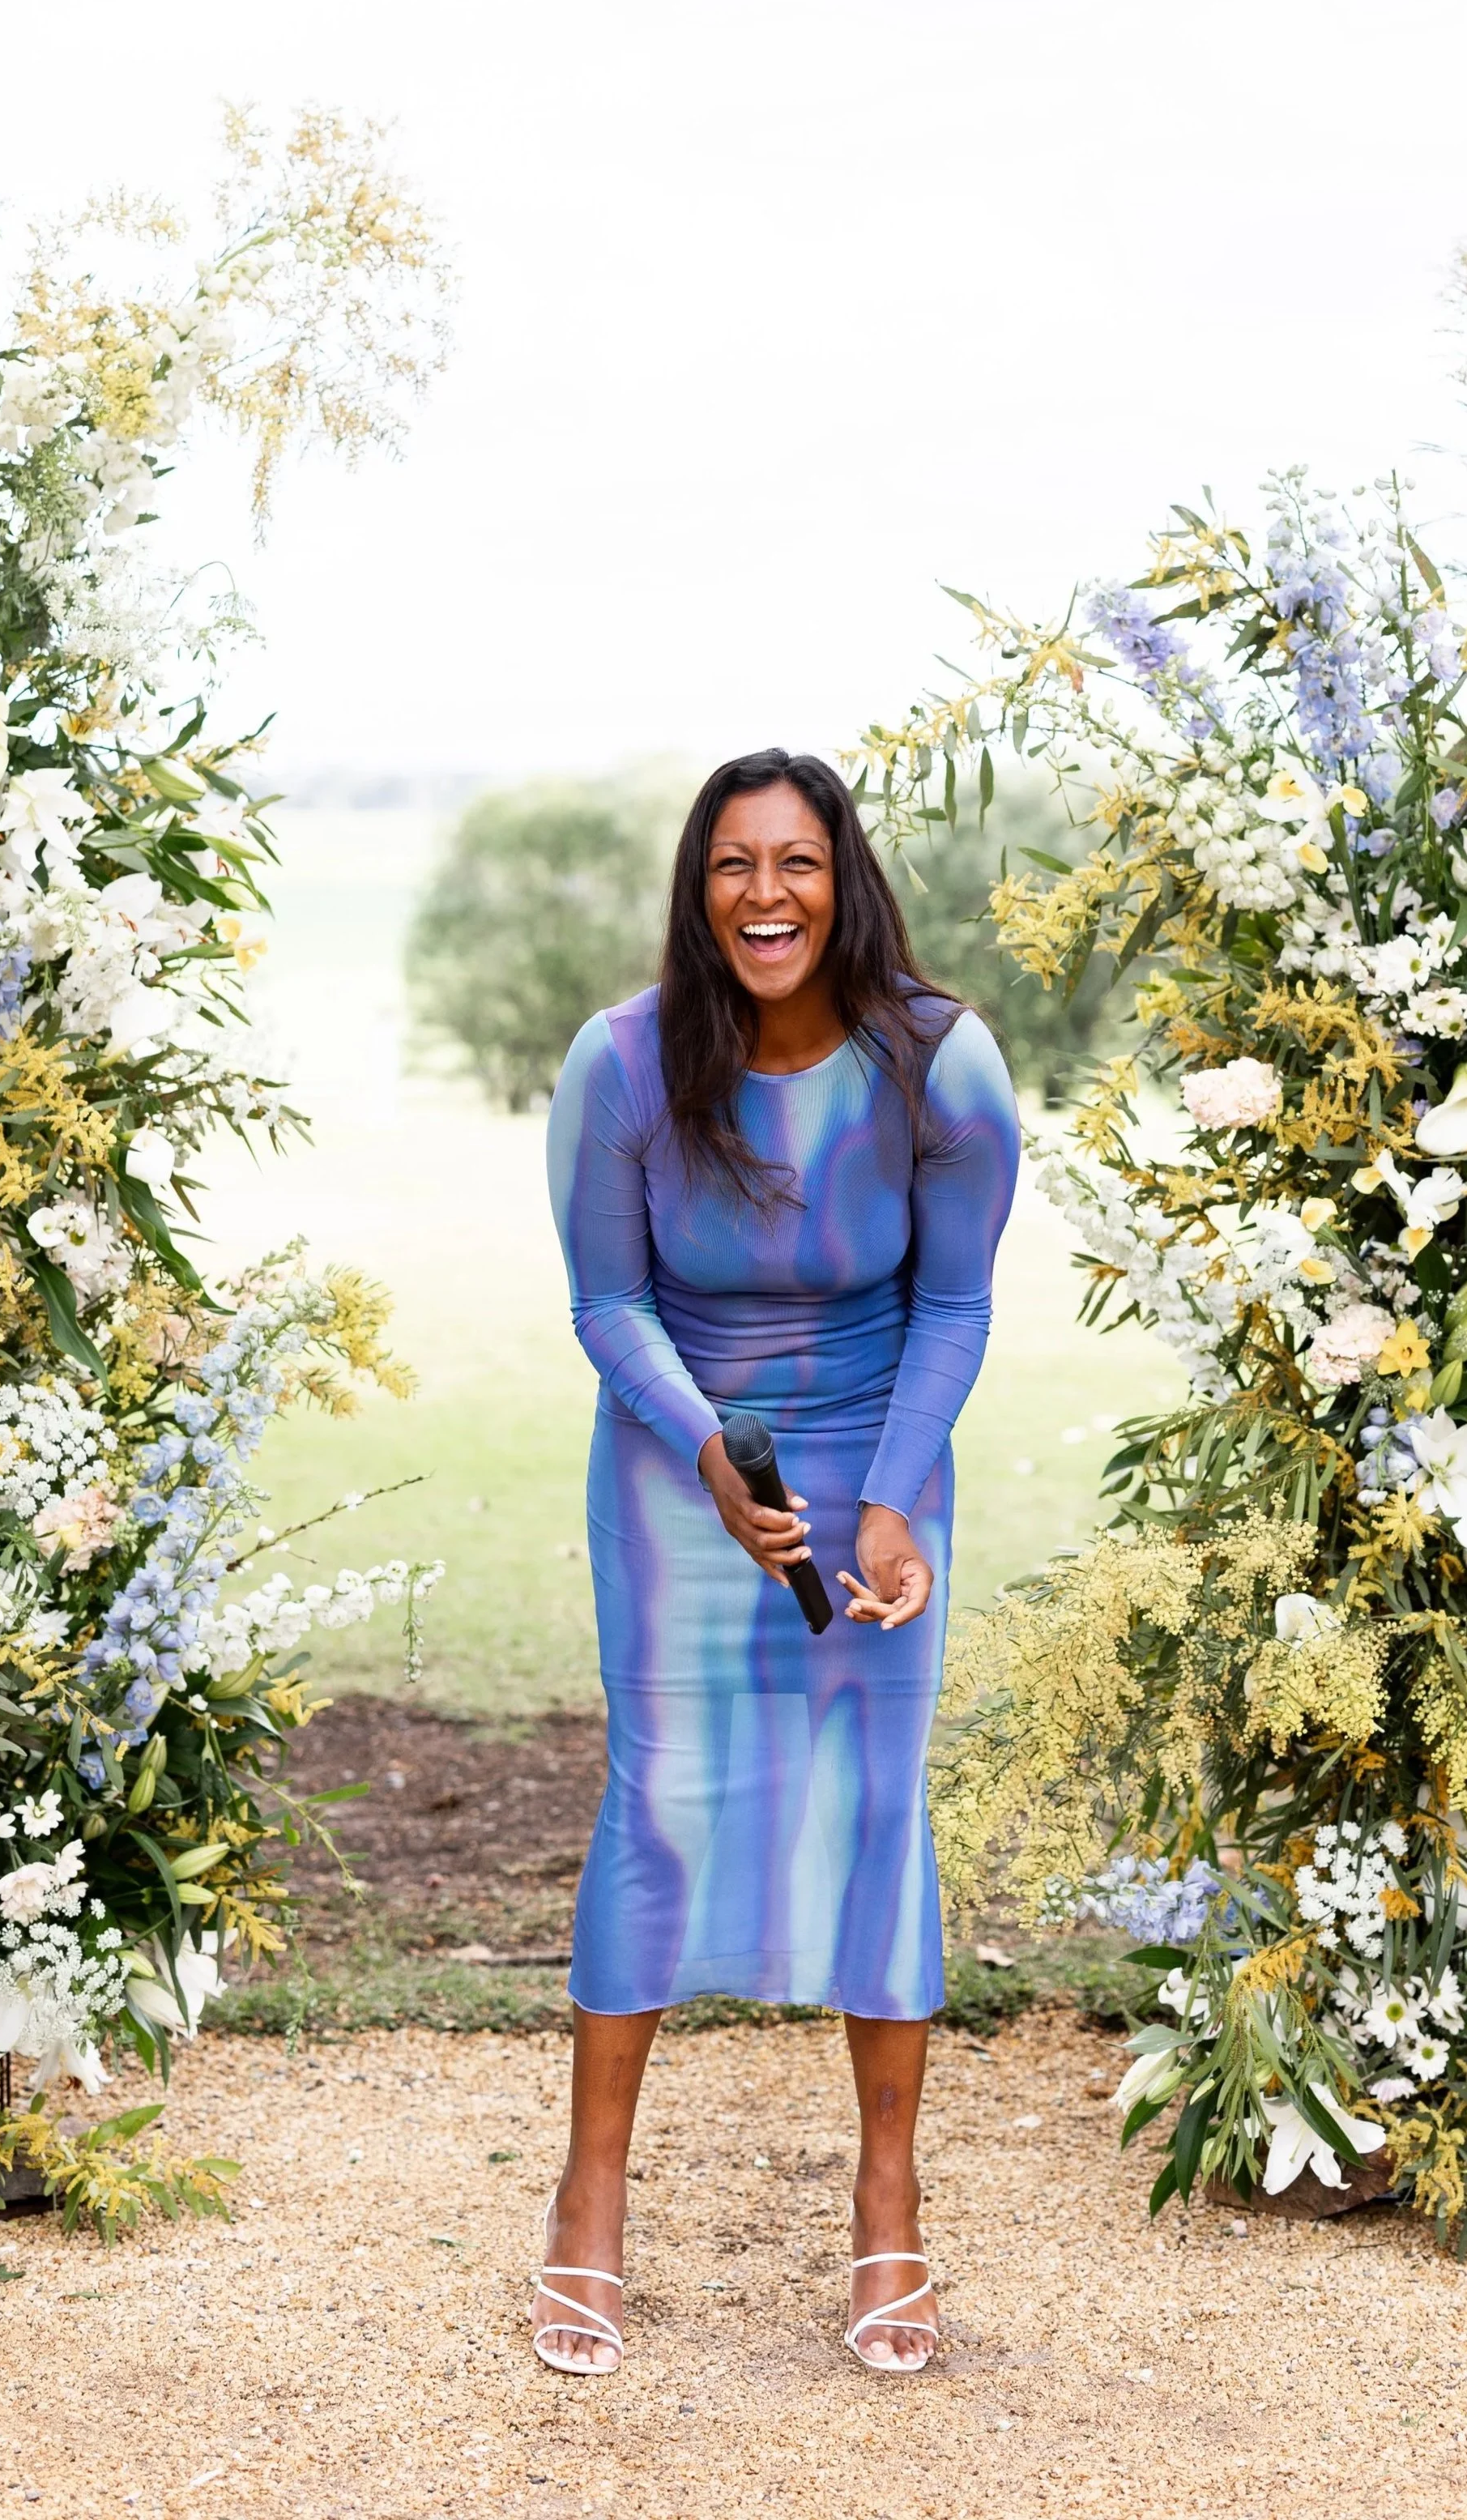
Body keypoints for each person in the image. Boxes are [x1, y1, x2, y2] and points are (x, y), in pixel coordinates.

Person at [537, 747, 1020, 2376]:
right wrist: (712, 1465)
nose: (765, 895)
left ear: (845, 876)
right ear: (699, 886)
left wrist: (886, 1496)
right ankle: (588, 2201)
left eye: (797, 862)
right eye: (734, 864)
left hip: (881, 1456)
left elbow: (951, 1304)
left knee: (875, 1806)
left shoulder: (941, 1065)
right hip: (681, 1465)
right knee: (660, 1801)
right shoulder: (618, 1064)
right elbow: (612, 1305)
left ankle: (887, 2200)